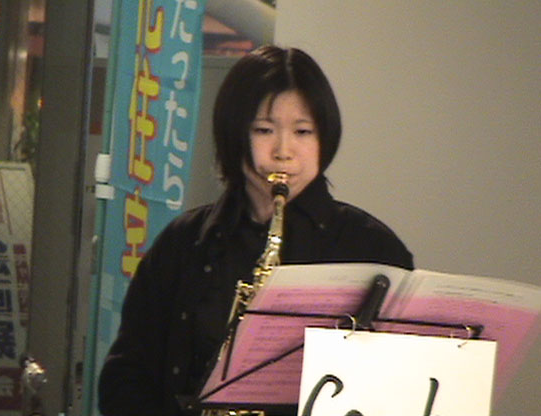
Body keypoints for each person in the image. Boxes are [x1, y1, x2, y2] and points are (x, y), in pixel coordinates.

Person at [98, 45, 414, 416]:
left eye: (303, 131)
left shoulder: (373, 249)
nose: (284, 151)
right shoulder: (183, 243)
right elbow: (126, 376)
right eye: (264, 130)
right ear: (233, 134)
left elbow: (402, 381)